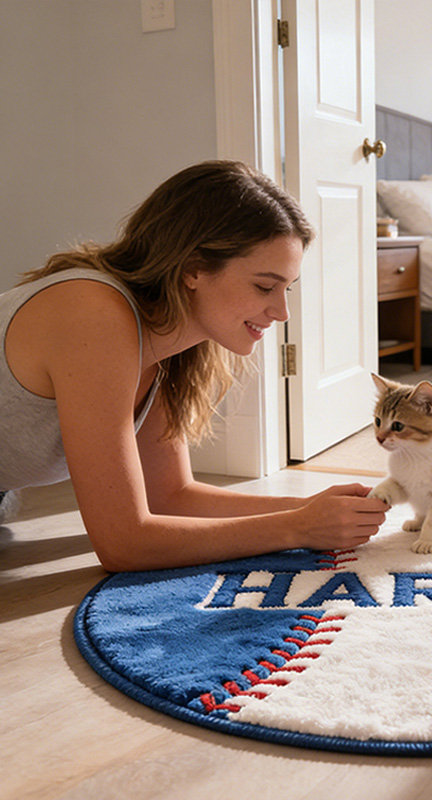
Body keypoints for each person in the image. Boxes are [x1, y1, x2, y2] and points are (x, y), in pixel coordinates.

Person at [0, 160, 388, 571]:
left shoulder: (166, 339)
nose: (281, 311)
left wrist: (308, 508)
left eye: (287, 288)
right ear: (193, 269)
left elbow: (170, 496)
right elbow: (124, 544)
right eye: (264, 286)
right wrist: (298, 528)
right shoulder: (96, 314)